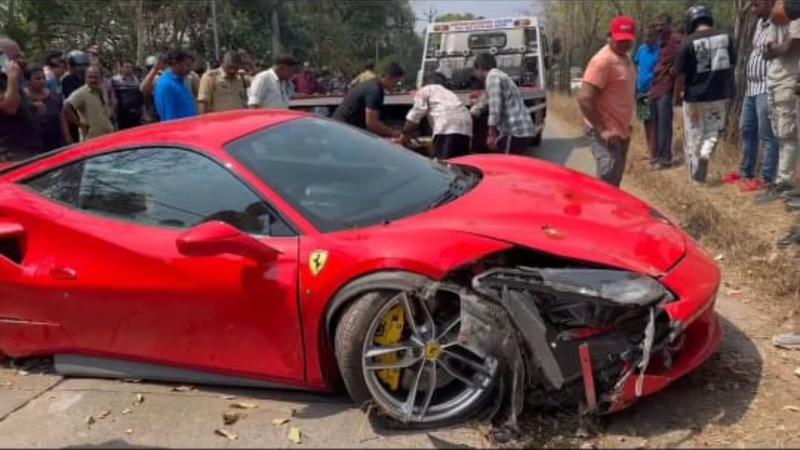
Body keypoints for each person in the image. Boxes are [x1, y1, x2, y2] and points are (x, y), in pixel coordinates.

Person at [674, 5, 737, 183]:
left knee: (693, 135)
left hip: (693, 97)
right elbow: (733, 62)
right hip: (719, 95)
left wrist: (677, 96)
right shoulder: (726, 37)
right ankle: (706, 153)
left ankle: (695, 180)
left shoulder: (686, 43)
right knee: (714, 130)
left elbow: (680, 74)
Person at [724, 0, 780, 192]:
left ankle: (768, 179)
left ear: (769, 3)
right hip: (752, 87)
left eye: (757, 5)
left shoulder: (780, 24)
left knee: (768, 134)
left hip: (768, 86)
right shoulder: (759, 24)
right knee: (747, 130)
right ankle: (747, 173)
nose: (754, 9)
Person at [577, 17, 637, 187]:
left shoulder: (626, 58)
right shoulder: (602, 62)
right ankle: (601, 212)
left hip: (621, 131)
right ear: (609, 36)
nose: (624, 44)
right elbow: (584, 98)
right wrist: (603, 130)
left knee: (614, 178)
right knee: (607, 179)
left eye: (628, 40)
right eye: (620, 40)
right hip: (606, 132)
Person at [757, 4, 800, 202]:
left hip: (789, 79)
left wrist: (777, 48)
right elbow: (767, 50)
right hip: (775, 79)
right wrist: (778, 48)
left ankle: (784, 182)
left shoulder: (795, 13)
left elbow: (790, 46)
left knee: (787, 133)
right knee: (779, 133)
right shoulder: (777, 16)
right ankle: (782, 181)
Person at [470, 53, 536, 155]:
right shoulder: (499, 75)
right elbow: (486, 99)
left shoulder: (492, 77)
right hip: (520, 130)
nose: (475, 74)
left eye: (475, 70)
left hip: (514, 131)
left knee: (506, 166)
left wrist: (491, 134)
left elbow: (495, 107)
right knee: (509, 165)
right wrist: (474, 110)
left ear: (480, 67)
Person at [402, 72, 472, 159]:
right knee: (460, 162)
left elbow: (417, 112)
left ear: (425, 82)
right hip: (466, 127)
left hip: (447, 125)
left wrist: (404, 131)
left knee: (444, 164)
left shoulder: (425, 89)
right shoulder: (449, 93)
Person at [332, 62, 404, 137]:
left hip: (340, 127)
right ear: (389, 77)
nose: (396, 85)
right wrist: (393, 132)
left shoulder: (372, 85)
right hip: (343, 131)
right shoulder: (375, 91)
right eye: (396, 81)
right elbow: (372, 124)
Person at [0, 37, 44, 160]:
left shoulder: (8, 79)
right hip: (10, 154)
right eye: (16, 57)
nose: (20, 61)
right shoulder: (10, 78)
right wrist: (12, 78)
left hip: (29, 150)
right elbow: (10, 107)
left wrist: (31, 107)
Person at [650, 14, 683, 169]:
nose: (659, 27)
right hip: (655, 87)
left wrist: (677, 92)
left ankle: (665, 159)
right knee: (655, 124)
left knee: (664, 125)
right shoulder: (657, 43)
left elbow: (681, 61)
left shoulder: (675, 40)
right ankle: (656, 156)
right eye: (657, 24)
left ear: (669, 24)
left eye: (662, 24)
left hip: (666, 87)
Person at [62, 65, 114, 142]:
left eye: (96, 77)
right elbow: (66, 107)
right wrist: (80, 124)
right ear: (85, 78)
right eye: (90, 77)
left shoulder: (102, 90)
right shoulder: (81, 93)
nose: (93, 80)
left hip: (107, 136)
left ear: (101, 78)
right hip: (90, 139)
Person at [634, 24, 660, 161]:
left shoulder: (660, 50)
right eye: (645, 35)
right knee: (645, 121)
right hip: (641, 90)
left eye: (650, 35)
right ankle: (649, 149)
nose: (647, 38)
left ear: (656, 36)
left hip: (653, 91)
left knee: (654, 123)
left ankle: (654, 153)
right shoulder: (641, 49)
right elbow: (637, 66)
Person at [24, 65, 64, 151]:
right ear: (28, 81)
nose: (42, 81)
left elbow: (62, 119)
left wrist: (67, 139)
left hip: (55, 142)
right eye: (37, 79)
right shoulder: (22, 99)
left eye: (43, 78)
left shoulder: (54, 97)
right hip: (33, 146)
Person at [153, 49, 198, 121]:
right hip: (180, 130)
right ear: (175, 63)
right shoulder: (166, 85)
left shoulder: (181, 81)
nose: (190, 69)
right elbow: (170, 118)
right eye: (187, 65)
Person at [112, 59, 143, 129]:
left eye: (131, 67)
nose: (129, 69)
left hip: (135, 115)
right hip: (122, 115)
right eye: (126, 67)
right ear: (122, 68)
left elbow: (140, 97)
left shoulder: (136, 81)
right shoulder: (115, 81)